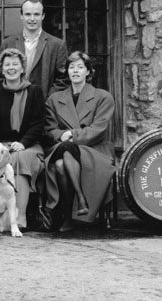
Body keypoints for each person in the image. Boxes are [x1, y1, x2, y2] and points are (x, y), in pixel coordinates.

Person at [44, 51, 116, 232]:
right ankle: (80, 200)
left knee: (61, 163)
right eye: (71, 67)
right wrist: (61, 136)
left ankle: (68, 216)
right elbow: (49, 129)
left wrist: (70, 135)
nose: (75, 71)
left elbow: (98, 129)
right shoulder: (54, 99)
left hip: (94, 149)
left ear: (88, 72)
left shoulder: (102, 97)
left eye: (80, 67)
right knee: (64, 153)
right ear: (67, 72)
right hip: (62, 145)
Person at [0, 48, 46, 229]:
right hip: (0, 145)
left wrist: (23, 143)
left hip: (29, 145)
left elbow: (38, 123)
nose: (11, 68)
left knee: (19, 158)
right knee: (4, 158)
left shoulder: (35, 92)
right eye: (7, 64)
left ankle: (20, 217)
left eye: (15, 64)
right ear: (1, 70)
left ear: (22, 68)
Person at [0, 0, 67, 98]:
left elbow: (63, 79)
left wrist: (49, 98)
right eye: (27, 14)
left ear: (43, 16)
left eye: (36, 14)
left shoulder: (57, 45)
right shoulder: (7, 43)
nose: (32, 19)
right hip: (13, 103)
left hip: (44, 106)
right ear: (21, 16)